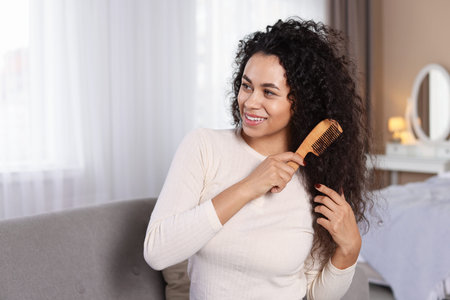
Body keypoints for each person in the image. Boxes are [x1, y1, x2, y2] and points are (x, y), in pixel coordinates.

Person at [144, 17, 372, 300]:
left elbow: (315, 295)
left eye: (269, 92)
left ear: (301, 102)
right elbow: (157, 251)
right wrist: (249, 186)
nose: (250, 102)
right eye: (246, 86)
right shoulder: (204, 147)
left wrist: (349, 251)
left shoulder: (315, 177)